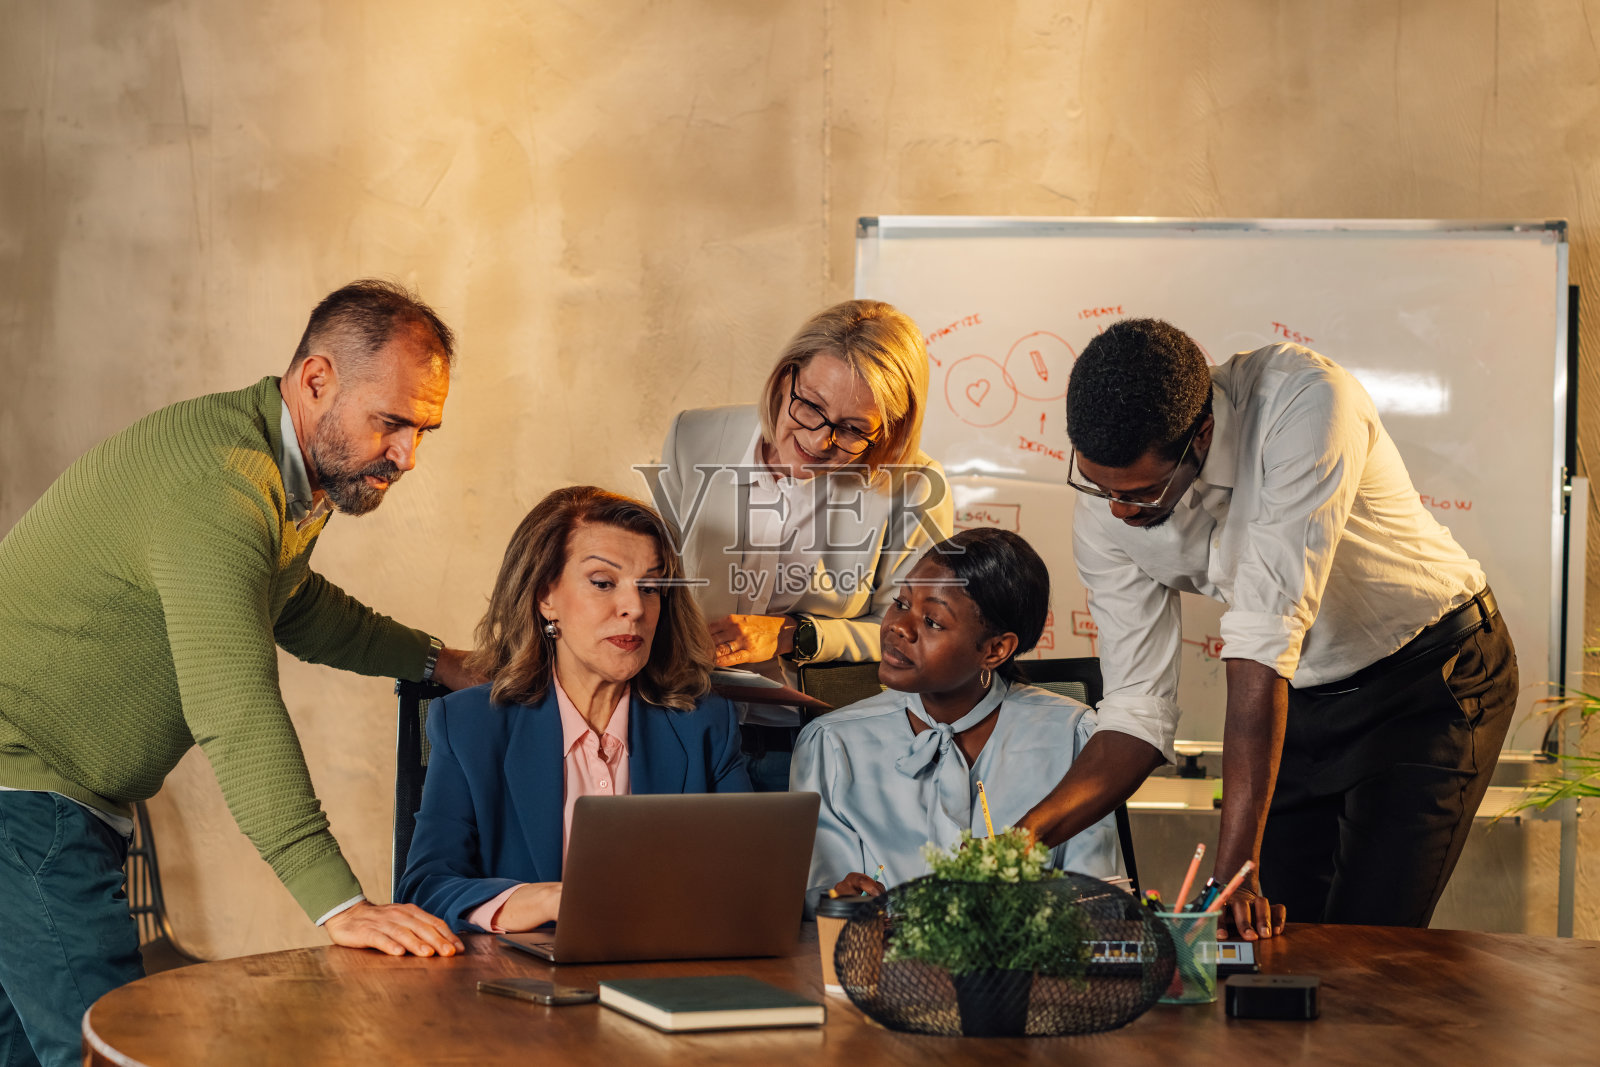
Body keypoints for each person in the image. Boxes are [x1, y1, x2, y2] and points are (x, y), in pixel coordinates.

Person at [0, 280, 479, 1067]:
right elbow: (233, 701)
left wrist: (439, 661)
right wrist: (340, 902)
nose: (408, 455)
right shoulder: (221, 485)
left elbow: (295, 603)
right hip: (25, 798)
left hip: (35, 794)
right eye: (391, 423)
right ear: (317, 379)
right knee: (110, 1054)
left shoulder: (277, 473)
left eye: (423, 430)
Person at [1017, 318, 1517, 940]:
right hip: (1295, 701)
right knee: (1271, 942)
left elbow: (1262, 638)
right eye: (1097, 486)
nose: (1117, 511)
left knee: (1367, 943)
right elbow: (1136, 714)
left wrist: (1236, 870)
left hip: (1426, 682)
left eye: (1142, 494)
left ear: (1200, 436)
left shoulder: (1305, 405)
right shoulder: (1105, 512)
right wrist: (1019, 843)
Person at [396, 486, 751, 932]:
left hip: (669, 977)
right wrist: (537, 900)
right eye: (603, 583)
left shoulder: (705, 724)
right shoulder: (470, 725)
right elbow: (425, 888)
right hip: (524, 989)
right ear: (546, 597)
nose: (634, 608)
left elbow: (753, 883)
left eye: (652, 587)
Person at [641, 300, 954, 791]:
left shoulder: (911, 486)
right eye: (810, 405)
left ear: (888, 429)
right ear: (786, 377)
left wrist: (795, 635)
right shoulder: (694, 436)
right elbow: (657, 582)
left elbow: (914, 634)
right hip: (683, 723)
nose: (818, 438)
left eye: (852, 429)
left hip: (815, 744)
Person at [792, 528, 1122, 910]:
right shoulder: (832, 743)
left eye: (932, 622)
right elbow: (819, 894)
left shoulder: (1073, 737)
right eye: (901, 603)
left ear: (996, 649)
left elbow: (1097, 900)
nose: (899, 626)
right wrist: (836, 900)